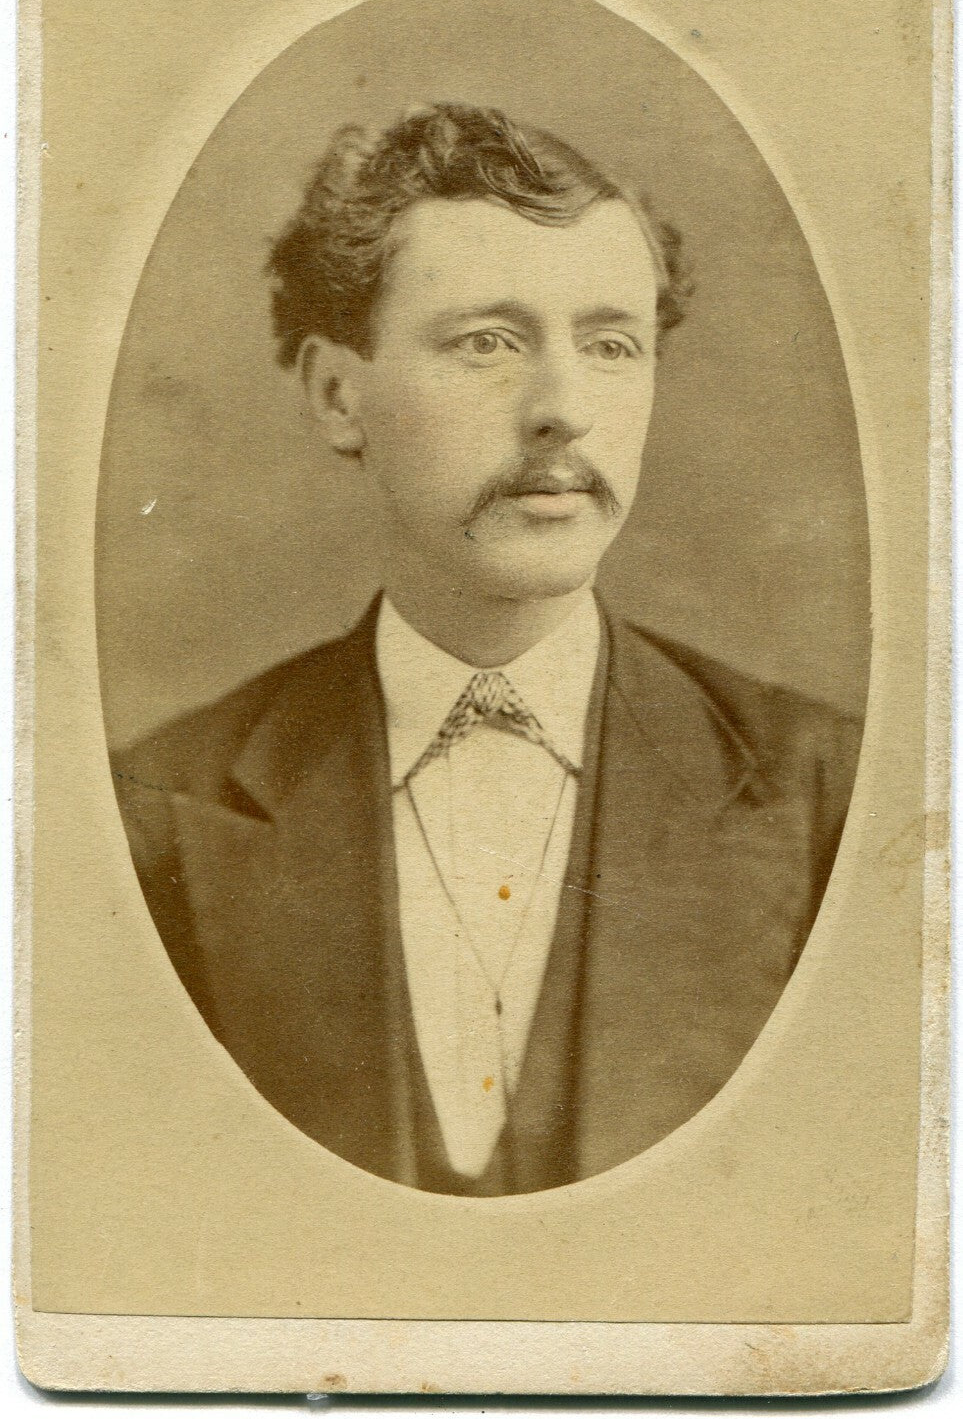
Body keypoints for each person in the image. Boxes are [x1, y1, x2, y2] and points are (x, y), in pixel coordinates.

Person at [111, 103, 863, 1196]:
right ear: (338, 394)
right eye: (487, 343)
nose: (563, 410)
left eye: (611, 345)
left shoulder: (831, 792)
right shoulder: (153, 812)